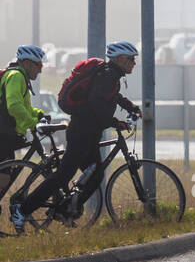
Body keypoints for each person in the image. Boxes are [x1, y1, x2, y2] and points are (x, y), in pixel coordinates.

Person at [11, 42, 142, 231]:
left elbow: (112, 97)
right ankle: (22, 210)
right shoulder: (107, 76)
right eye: (131, 59)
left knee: (95, 175)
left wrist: (131, 108)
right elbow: (97, 104)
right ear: (120, 59)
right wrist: (115, 122)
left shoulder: (110, 76)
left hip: (89, 132)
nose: (134, 63)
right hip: (82, 131)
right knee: (63, 175)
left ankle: (66, 210)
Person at [0, 46, 49, 213]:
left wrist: (39, 114)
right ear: (27, 63)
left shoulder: (18, 76)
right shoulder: (16, 76)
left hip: (7, 134)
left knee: (6, 174)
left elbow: (23, 106)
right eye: (39, 66)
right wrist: (31, 123)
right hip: (3, 135)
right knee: (4, 177)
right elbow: (13, 106)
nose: (40, 70)